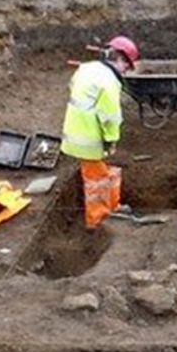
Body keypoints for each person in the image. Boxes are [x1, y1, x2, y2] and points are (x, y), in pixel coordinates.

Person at [60, 36, 139, 229]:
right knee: (96, 178)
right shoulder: (109, 81)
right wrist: (111, 140)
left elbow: (73, 89)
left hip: (74, 129)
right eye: (127, 66)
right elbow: (110, 117)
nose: (126, 71)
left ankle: (113, 206)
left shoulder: (86, 68)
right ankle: (97, 219)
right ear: (119, 59)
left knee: (101, 170)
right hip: (88, 137)